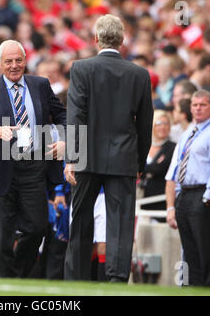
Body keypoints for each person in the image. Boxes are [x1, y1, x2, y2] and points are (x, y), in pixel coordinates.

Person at [64, 14, 153, 282]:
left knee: (80, 219)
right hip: (124, 158)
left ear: (95, 39)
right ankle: (116, 280)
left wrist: (71, 158)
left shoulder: (81, 68)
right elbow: (145, 124)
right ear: (123, 40)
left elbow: (75, 116)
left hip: (86, 157)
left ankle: (76, 280)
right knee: (120, 223)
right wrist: (139, 163)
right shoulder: (140, 74)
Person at [0, 39, 66, 278]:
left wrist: (65, 140)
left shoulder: (40, 85)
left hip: (34, 165)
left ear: (26, 60)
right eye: (8, 61)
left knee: (37, 228)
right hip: (1, 167)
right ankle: (7, 285)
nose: (14, 66)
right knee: (2, 238)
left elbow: (63, 114)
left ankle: (17, 276)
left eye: (18, 60)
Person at [165, 89, 210, 288]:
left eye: (202, 104)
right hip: (185, 194)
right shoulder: (188, 133)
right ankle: (193, 290)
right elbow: (177, 168)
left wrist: (206, 198)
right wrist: (175, 200)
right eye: (194, 105)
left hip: (203, 195)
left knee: (208, 251)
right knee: (190, 252)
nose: (198, 108)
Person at [139, 110, 176, 214]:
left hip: (161, 199)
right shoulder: (144, 146)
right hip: (142, 198)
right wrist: (151, 167)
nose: (162, 127)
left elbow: (160, 168)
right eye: (159, 123)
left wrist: (143, 168)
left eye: (166, 123)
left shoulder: (172, 147)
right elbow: (133, 166)